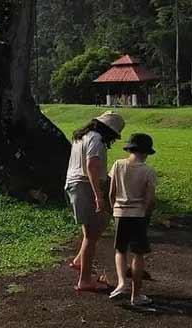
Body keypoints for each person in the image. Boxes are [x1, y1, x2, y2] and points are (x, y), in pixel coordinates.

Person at [65, 111, 125, 292]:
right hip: (85, 185)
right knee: (91, 234)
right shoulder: (97, 140)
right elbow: (91, 167)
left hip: (75, 184)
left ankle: (79, 261)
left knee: (96, 226)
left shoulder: (81, 137)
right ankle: (84, 280)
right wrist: (98, 195)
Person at [107, 133, 157, 307]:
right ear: (146, 152)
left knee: (120, 250)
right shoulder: (148, 171)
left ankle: (121, 283)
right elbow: (150, 199)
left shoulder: (118, 165)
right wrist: (147, 213)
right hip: (139, 214)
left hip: (120, 213)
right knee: (138, 253)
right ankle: (136, 295)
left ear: (130, 149)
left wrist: (114, 208)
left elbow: (111, 192)